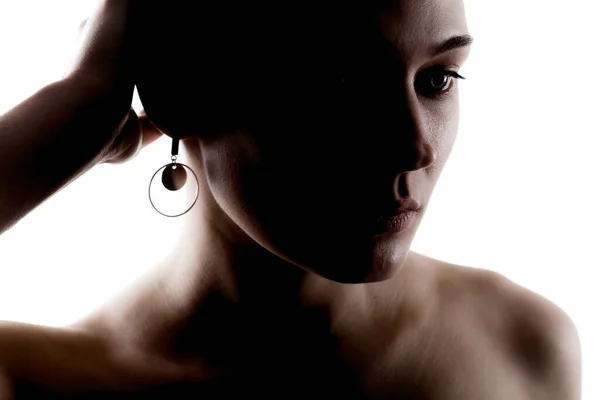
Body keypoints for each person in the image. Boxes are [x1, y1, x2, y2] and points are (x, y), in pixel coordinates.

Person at [0, 0, 581, 398]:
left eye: (437, 80)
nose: (415, 147)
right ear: (180, 95)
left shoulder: (523, 343)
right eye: (342, 84)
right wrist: (75, 111)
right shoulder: (30, 381)